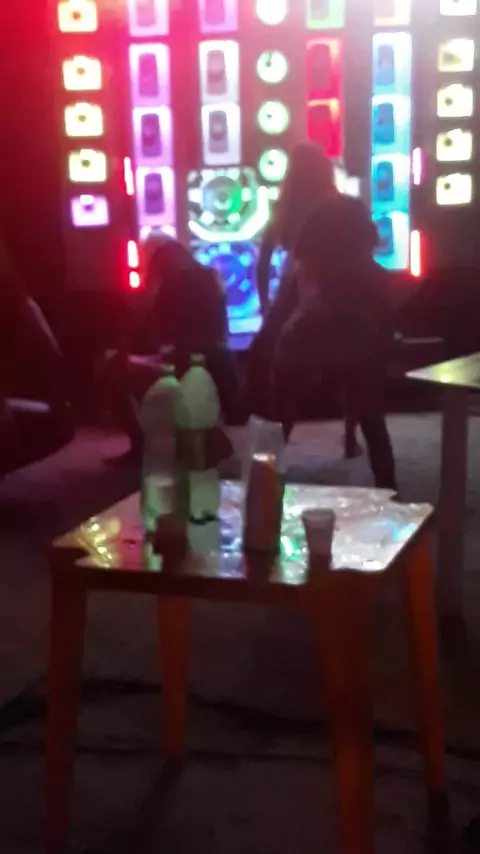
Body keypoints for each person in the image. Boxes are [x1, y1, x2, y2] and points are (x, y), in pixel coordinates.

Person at [271, 194, 397, 491]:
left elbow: (285, 312)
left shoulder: (308, 268)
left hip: (306, 344)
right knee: (372, 416)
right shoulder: (372, 276)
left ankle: (265, 467)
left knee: (281, 408)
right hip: (357, 348)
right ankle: (388, 485)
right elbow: (384, 321)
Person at [99, 231, 238, 458]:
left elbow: (155, 341)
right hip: (224, 370)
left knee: (113, 365)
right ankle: (207, 436)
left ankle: (141, 446)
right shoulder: (212, 277)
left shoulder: (172, 285)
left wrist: (140, 302)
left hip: (188, 368)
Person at [247, 143, 339, 420]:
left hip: (307, 289)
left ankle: (272, 417)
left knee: (269, 351)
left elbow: (264, 259)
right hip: (329, 292)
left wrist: (266, 305)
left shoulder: (289, 206)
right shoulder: (335, 204)